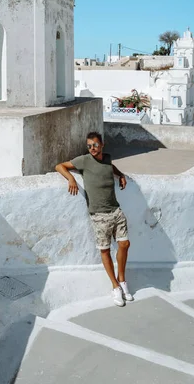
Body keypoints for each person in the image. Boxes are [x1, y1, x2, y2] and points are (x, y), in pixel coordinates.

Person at [56, 131, 132, 307]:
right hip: (99, 215)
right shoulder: (84, 160)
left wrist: (120, 175)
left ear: (102, 145)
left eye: (95, 145)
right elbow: (59, 166)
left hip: (116, 210)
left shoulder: (107, 158)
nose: (92, 149)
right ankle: (115, 287)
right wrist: (71, 179)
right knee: (104, 250)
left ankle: (122, 281)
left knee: (124, 244)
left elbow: (110, 167)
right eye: (89, 146)